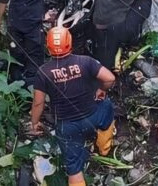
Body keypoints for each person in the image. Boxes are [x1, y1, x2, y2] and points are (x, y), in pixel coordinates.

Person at [31, 26, 116, 186]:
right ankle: (104, 148)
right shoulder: (85, 61)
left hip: (68, 127)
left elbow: (38, 103)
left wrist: (35, 122)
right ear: (70, 43)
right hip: (93, 117)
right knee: (107, 106)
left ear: (48, 47)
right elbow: (110, 78)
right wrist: (101, 89)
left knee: (74, 171)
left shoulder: (43, 72)